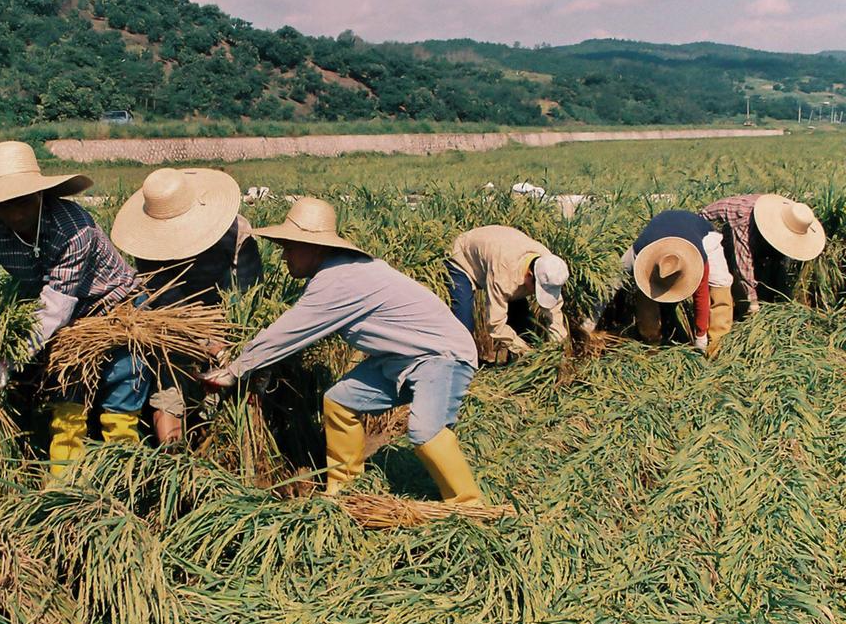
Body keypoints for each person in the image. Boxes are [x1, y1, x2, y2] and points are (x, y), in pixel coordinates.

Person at [200, 197, 483, 504]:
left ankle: (469, 505)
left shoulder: (338, 279)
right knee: (340, 401)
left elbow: (286, 333)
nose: (284, 256)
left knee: (426, 432)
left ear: (315, 247)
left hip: (440, 356)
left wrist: (234, 371)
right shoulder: (334, 273)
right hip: (399, 359)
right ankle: (344, 490)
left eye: (290, 247)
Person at [0, 141, 147, 475]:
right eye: (4, 204)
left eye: (22, 201)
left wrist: (8, 360)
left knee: (119, 396)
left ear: (40, 194)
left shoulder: (72, 228)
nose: (15, 214)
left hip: (114, 310)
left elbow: (54, 308)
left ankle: (124, 478)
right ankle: (64, 484)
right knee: (67, 401)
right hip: (64, 321)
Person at [110, 167, 262, 444]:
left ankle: (221, 439)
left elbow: (246, 294)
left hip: (224, 317)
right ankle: (173, 458)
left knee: (233, 383)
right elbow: (165, 302)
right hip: (172, 322)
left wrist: (225, 344)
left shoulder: (237, 232)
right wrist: (203, 341)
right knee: (170, 384)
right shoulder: (148, 243)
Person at [447, 225, 569, 362]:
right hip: (463, 257)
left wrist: (557, 350)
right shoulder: (503, 274)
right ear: (529, 276)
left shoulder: (549, 265)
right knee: (464, 323)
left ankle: (518, 365)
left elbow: (554, 311)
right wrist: (525, 351)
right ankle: (459, 364)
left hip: (501, 252)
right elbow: (495, 325)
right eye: (537, 289)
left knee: (525, 326)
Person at [624, 210, 734, 354]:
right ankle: (651, 345)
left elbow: (701, 297)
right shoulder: (636, 256)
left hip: (702, 235)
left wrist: (700, 337)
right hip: (660, 231)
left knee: (720, 285)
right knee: (644, 294)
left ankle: (716, 347)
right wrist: (593, 322)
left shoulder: (698, 260)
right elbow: (609, 287)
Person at [699, 194, 826, 313]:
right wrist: (753, 303)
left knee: (770, 264)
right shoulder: (745, 221)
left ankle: (763, 300)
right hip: (709, 229)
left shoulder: (783, 214)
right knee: (726, 278)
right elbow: (743, 264)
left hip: (738, 228)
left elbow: (778, 261)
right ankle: (736, 310)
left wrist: (786, 299)